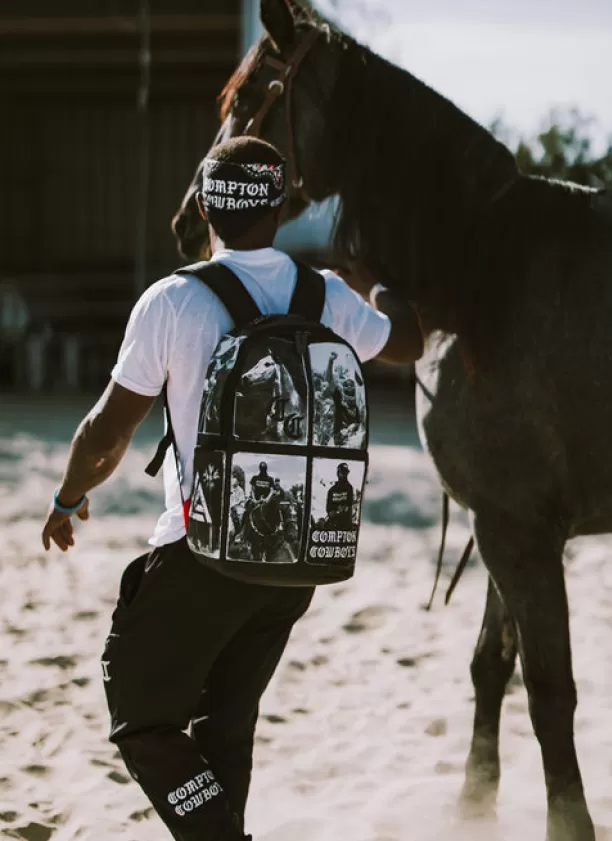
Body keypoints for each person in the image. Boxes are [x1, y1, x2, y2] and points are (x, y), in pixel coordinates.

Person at [40, 135, 424, 841]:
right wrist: (378, 287)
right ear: (279, 207)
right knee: (227, 722)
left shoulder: (175, 301)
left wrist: (69, 497)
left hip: (204, 550)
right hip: (297, 560)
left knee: (140, 716)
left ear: (206, 209)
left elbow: (104, 431)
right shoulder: (327, 296)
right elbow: (405, 344)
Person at [326, 463, 356, 529]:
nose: (344, 475)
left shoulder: (349, 488)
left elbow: (349, 506)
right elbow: (329, 510)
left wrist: (341, 510)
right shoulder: (331, 490)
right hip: (333, 526)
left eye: (346, 473)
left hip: (345, 526)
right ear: (338, 473)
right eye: (342, 473)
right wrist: (333, 512)